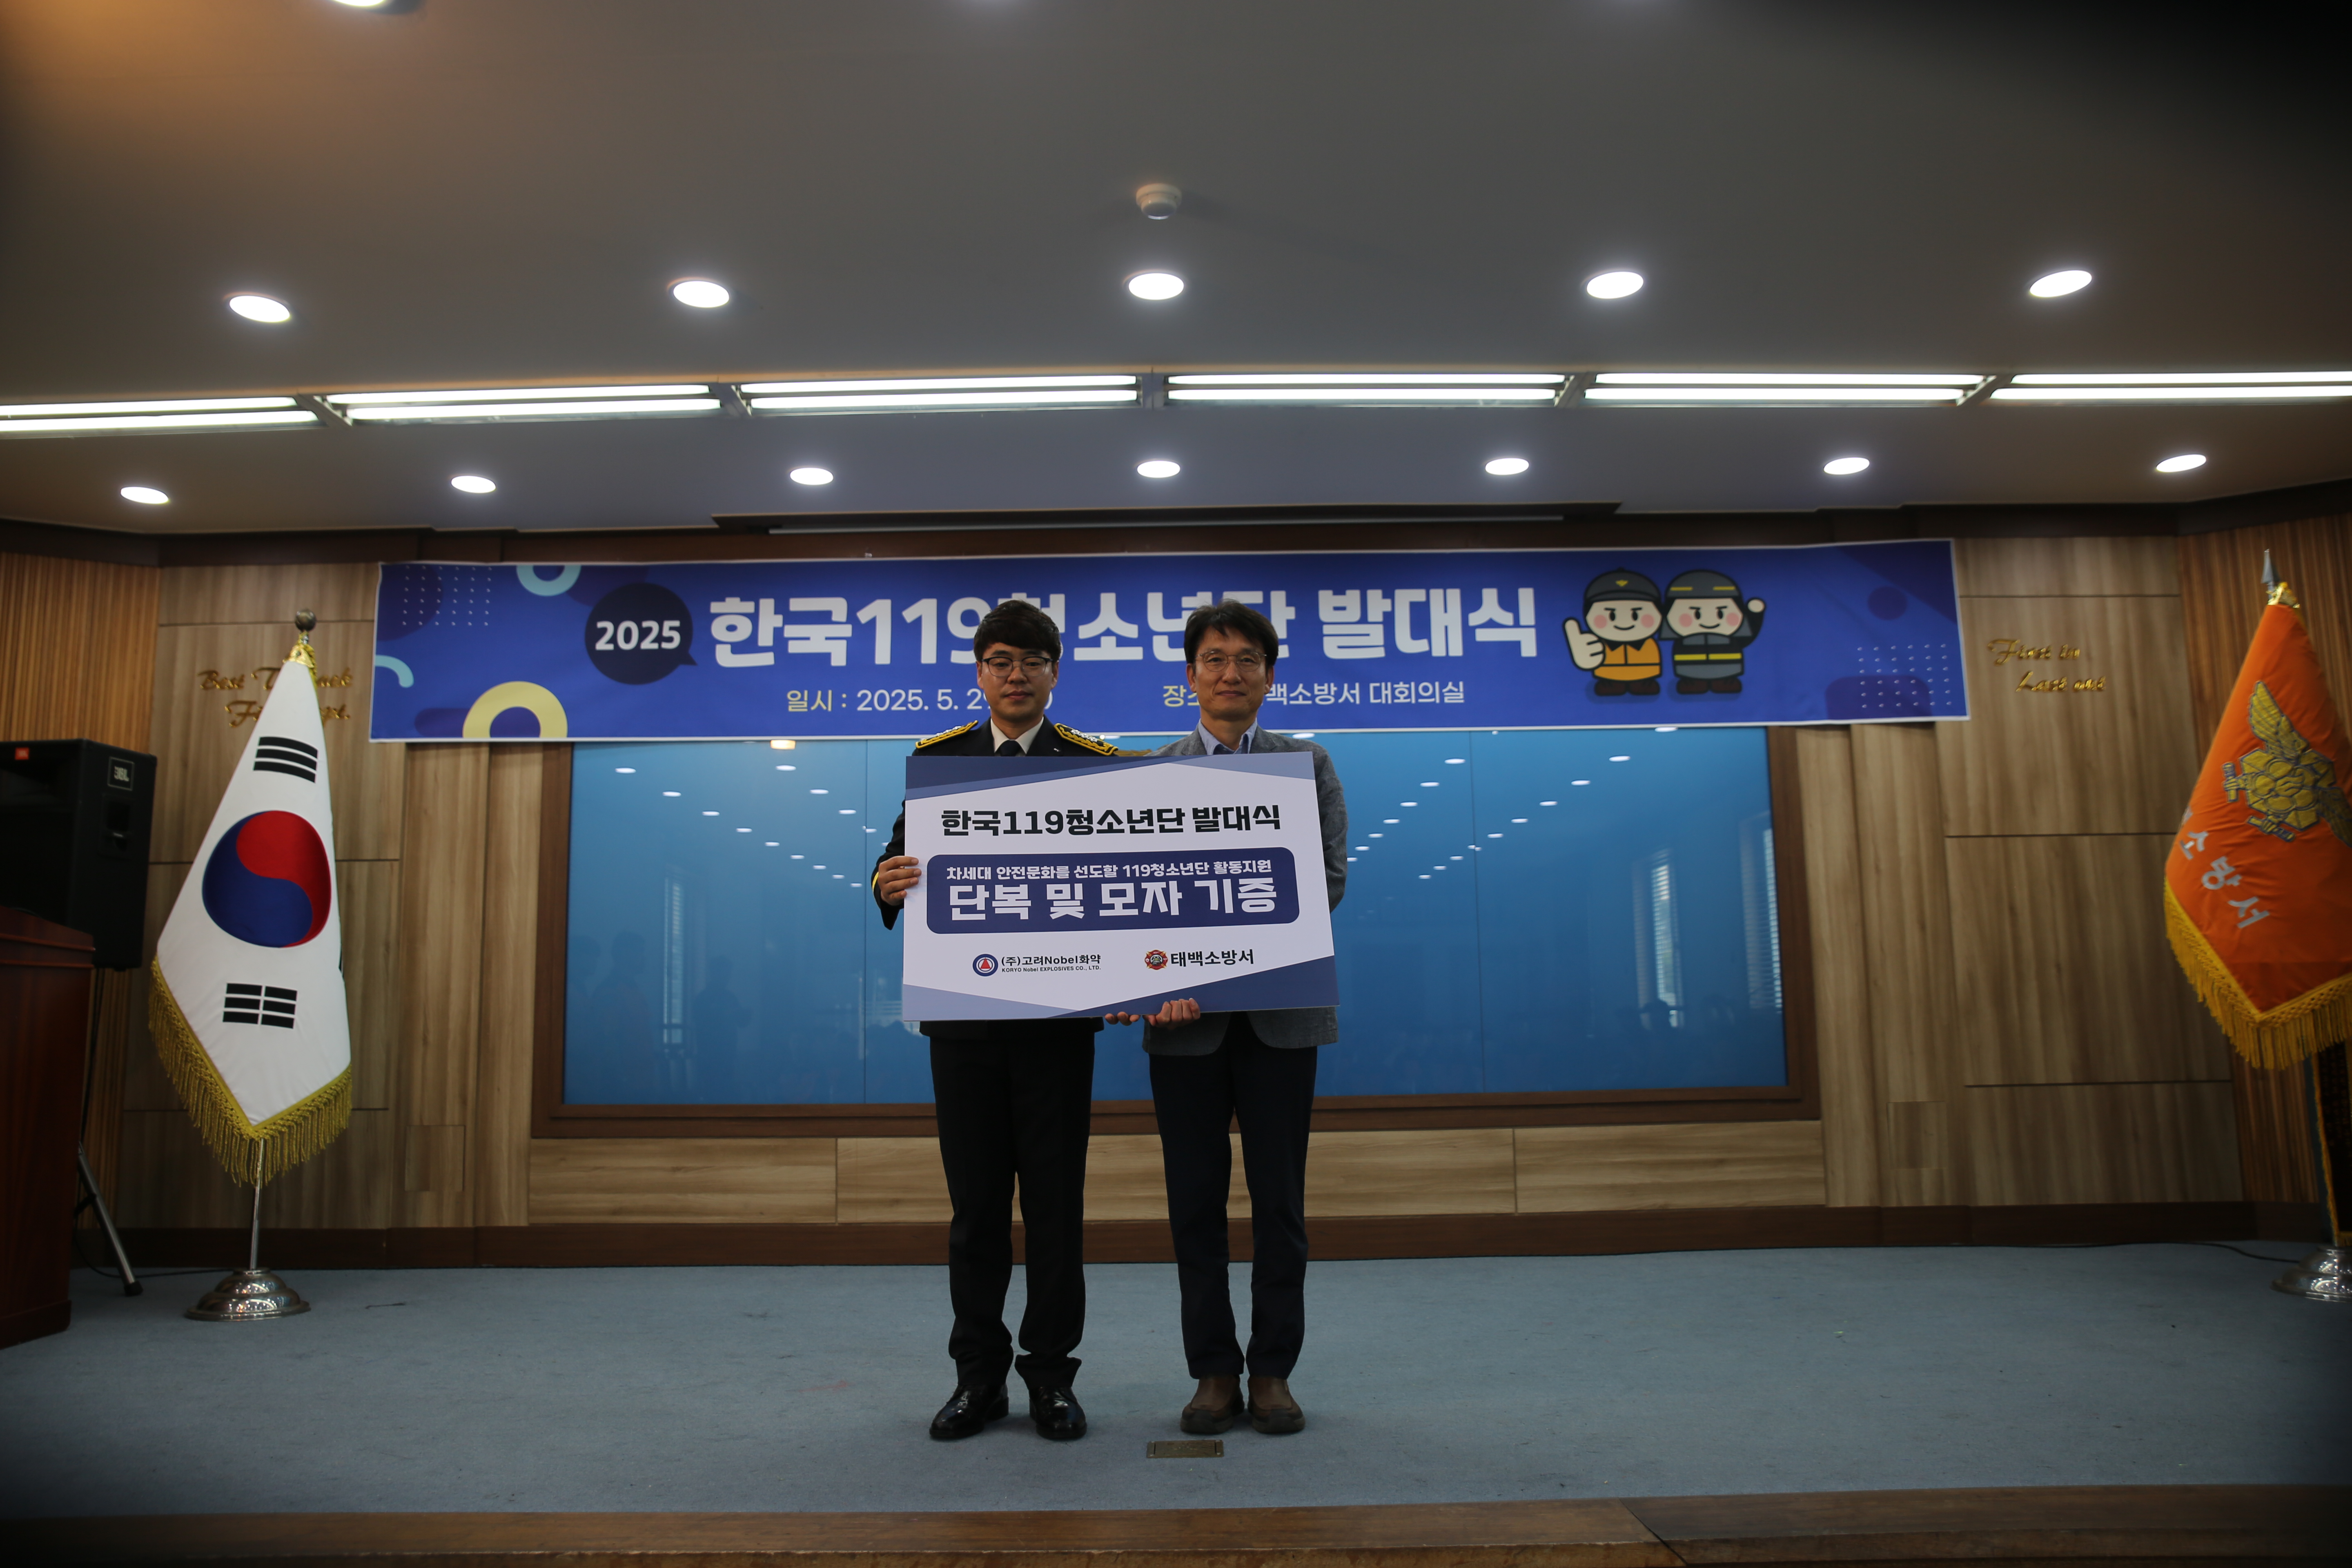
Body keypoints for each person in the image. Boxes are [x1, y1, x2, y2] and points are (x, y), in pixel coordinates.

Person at [870, 598, 1126, 1444]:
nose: (1017, 676)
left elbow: (1122, 879)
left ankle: (1051, 1377)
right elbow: (897, 860)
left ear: (1055, 674)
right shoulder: (939, 762)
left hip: (1058, 1025)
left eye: (1033, 662)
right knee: (976, 1212)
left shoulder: (1094, 765)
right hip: (964, 1025)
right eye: (1001, 662)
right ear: (980, 674)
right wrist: (886, 880)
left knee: (1055, 1210)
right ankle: (977, 1378)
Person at [1105, 600, 1349, 1438]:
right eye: (1214, 659)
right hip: (1184, 1025)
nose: (1231, 672)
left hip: (1283, 1016)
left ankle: (1274, 1371)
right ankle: (1213, 1370)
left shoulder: (1307, 766)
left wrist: (1228, 951)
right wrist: (1154, 978)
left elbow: (1329, 881)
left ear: (1269, 677)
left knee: (1280, 1203)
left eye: (1248, 659)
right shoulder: (1150, 775)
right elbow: (1134, 902)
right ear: (1190, 677)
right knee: (1194, 1203)